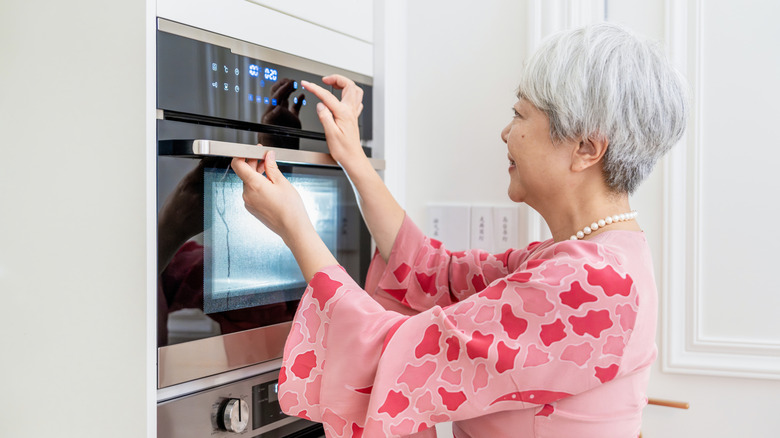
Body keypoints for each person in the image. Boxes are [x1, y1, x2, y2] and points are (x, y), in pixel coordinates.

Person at [230, 23, 687, 438]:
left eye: (521, 115)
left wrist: (294, 226)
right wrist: (354, 158)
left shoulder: (591, 282)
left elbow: (399, 354)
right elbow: (435, 273)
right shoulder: (591, 259)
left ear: (586, 147)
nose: (506, 132)